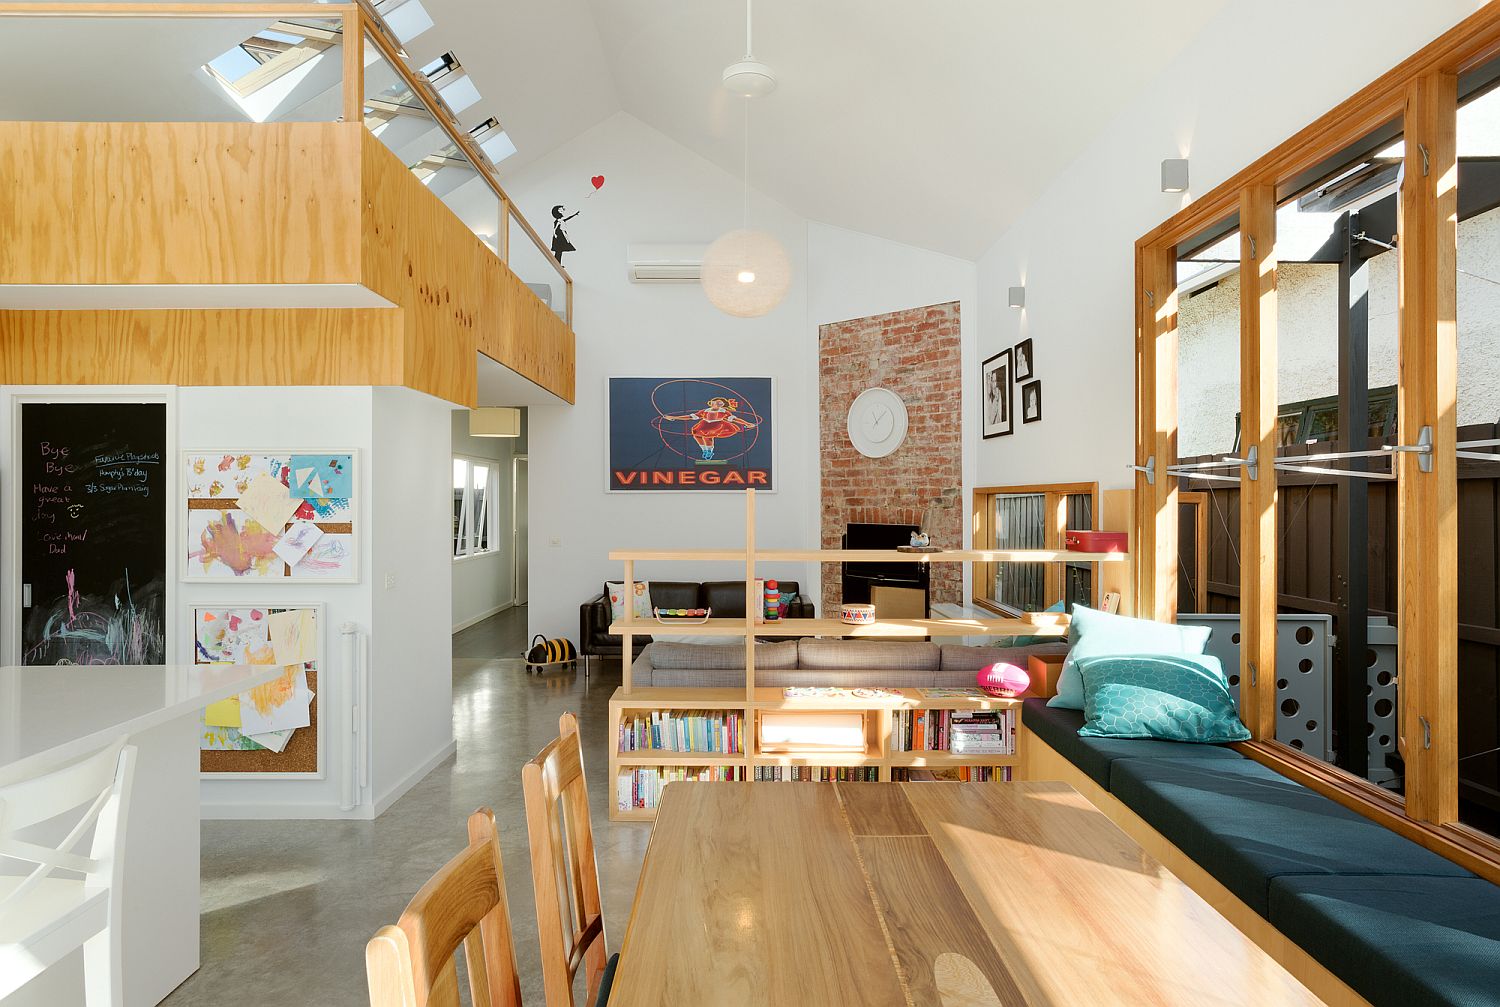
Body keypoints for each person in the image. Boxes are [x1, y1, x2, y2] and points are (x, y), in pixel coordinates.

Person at [661, 396, 758, 460]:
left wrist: (747, 423)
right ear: (711, 403)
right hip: (704, 424)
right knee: (696, 433)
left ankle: (709, 451)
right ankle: (704, 450)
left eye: (719, 403)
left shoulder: (724, 412)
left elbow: (735, 419)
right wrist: (674, 417)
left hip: (717, 426)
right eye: (715, 402)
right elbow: (691, 417)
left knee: (708, 436)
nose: (716, 404)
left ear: (722, 405)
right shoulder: (705, 411)